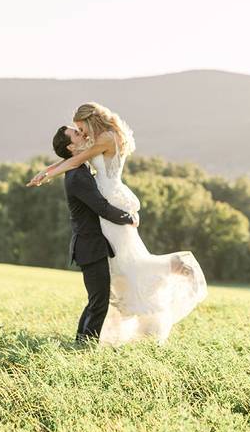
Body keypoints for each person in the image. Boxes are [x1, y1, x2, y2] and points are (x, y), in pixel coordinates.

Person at [31, 103, 207, 345]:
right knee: (120, 269)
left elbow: (75, 159)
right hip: (106, 202)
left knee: (126, 266)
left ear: (91, 120)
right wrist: (46, 171)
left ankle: (173, 266)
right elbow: (72, 158)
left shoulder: (106, 138)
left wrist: (47, 174)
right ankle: (96, 336)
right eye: (78, 131)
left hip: (110, 201)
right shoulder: (99, 140)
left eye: (81, 127)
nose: (82, 133)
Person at [52, 124, 138, 344]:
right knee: (99, 301)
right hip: (89, 246)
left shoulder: (79, 169)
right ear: (71, 146)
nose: (81, 134)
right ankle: (85, 347)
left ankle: (81, 343)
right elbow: (101, 207)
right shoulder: (77, 176)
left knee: (97, 299)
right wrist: (128, 217)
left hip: (92, 245)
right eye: (76, 133)